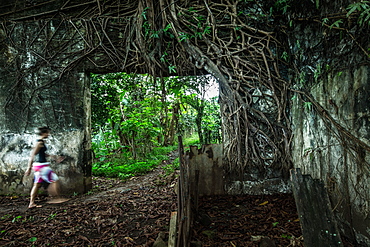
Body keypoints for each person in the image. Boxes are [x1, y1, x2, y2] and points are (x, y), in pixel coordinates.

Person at [25, 126, 68, 208]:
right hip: (42, 166)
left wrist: (54, 157)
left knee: (37, 185)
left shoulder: (41, 142)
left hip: (39, 166)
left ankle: (31, 203)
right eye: (47, 133)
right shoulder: (39, 143)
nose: (48, 134)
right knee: (54, 180)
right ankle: (55, 198)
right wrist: (28, 168)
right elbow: (32, 155)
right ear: (43, 133)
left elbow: (42, 154)